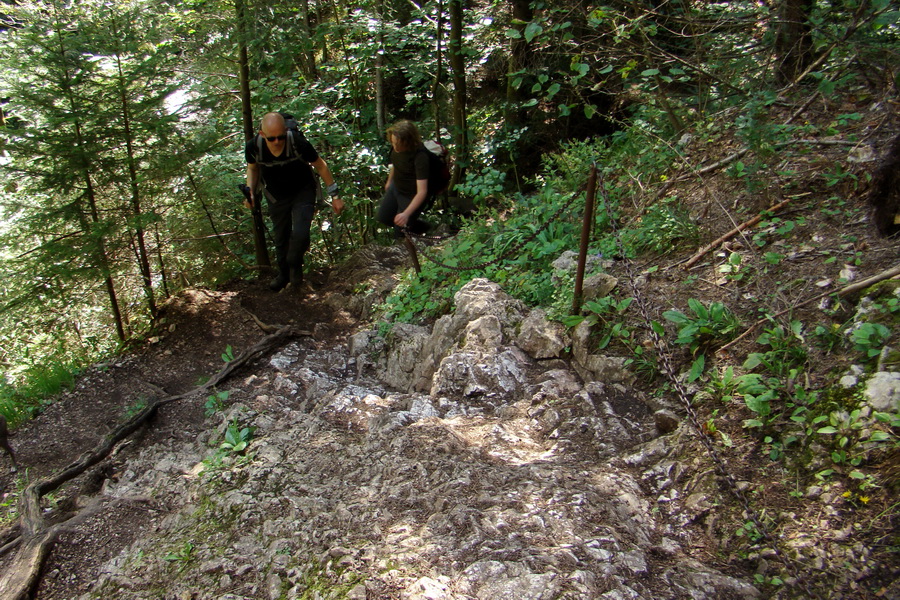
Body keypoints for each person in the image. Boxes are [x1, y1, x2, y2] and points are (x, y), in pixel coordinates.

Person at [245, 112, 345, 291]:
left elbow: (321, 165)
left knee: (300, 233)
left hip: (303, 191)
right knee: (280, 237)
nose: (277, 142)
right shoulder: (254, 147)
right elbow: (252, 169)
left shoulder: (297, 142)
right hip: (276, 196)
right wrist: (251, 192)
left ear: (286, 131)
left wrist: (335, 196)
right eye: (272, 138)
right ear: (262, 135)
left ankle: (294, 266)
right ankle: (283, 276)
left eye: (281, 136)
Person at [377, 120, 432, 236]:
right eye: (393, 143)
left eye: (398, 144)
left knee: (400, 231)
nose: (395, 147)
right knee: (384, 217)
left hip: (410, 195)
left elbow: (422, 192)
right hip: (396, 187)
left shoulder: (420, 157)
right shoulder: (396, 147)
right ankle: (418, 225)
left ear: (408, 142)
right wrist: (389, 181)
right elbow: (396, 164)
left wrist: (406, 214)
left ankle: (422, 230)